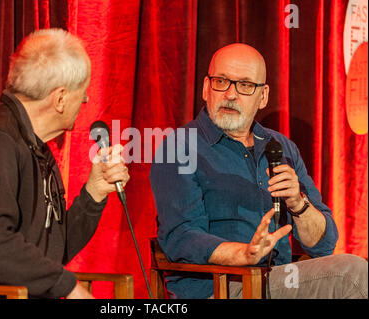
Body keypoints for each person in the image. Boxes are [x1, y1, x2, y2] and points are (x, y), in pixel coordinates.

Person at [149, 43, 368, 299]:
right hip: (219, 288)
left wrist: (298, 204)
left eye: (245, 85)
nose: (230, 94)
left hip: (280, 280)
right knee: (352, 274)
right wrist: (243, 254)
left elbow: (323, 244)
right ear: (206, 89)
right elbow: (181, 237)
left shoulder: (281, 147)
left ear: (263, 96)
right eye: (221, 82)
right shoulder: (179, 147)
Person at [0, 28, 130, 299]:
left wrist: (93, 194)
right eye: (82, 93)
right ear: (60, 99)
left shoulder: (36, 146)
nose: (86, 101)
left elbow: (51, 253)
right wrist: (69, 287)